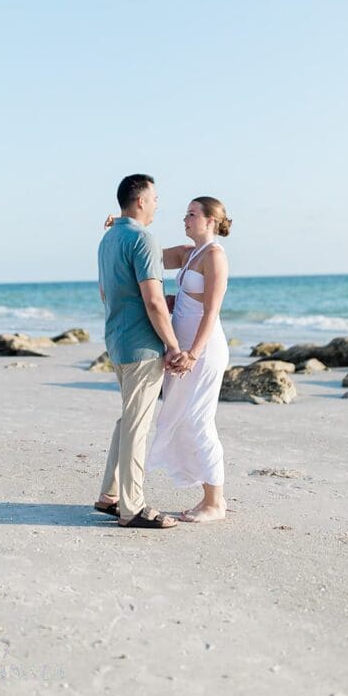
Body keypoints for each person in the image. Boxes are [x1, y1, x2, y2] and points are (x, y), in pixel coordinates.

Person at [95, 174, 181, 530]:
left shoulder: (109, 237)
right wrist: (174, 345)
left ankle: (109, 495)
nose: (159, 204)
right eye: (156, 198)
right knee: (137, 425)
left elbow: (107, 292)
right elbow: (153, 300)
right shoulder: (144, 239)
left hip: (116, 339)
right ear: (141, 201)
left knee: (128, 419)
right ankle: (133, 507)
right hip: (142, 345)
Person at [146, 197, 231, 523]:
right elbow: (150, 255)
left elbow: (211, 311)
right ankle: (207, 495)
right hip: (182, 351)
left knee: (199, 420)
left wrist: (193, 353)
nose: (185, 218)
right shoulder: (188, 252)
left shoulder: (215, 257)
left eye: (192, 214)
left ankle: (215, 502)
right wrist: (124, 227)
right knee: (178, 418)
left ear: (211, 221)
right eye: (186, 214)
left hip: (204, 351)